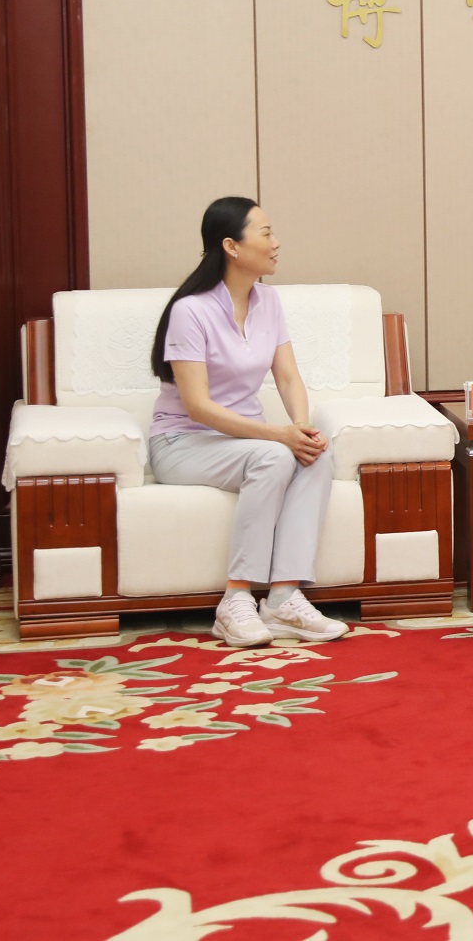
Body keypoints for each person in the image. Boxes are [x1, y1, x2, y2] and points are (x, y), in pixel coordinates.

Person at [148, 197, 348, 648]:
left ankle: (283, 600)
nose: (276, 244)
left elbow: (289, 377)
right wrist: (279, 435)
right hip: (183, 443)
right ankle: (235, 600)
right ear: (231, 246)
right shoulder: (190, 311)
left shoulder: (268, 301)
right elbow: (198, 407)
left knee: (318, 453)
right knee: (273, 458)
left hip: (243, 442)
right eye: (266, 233)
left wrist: (301, 429)